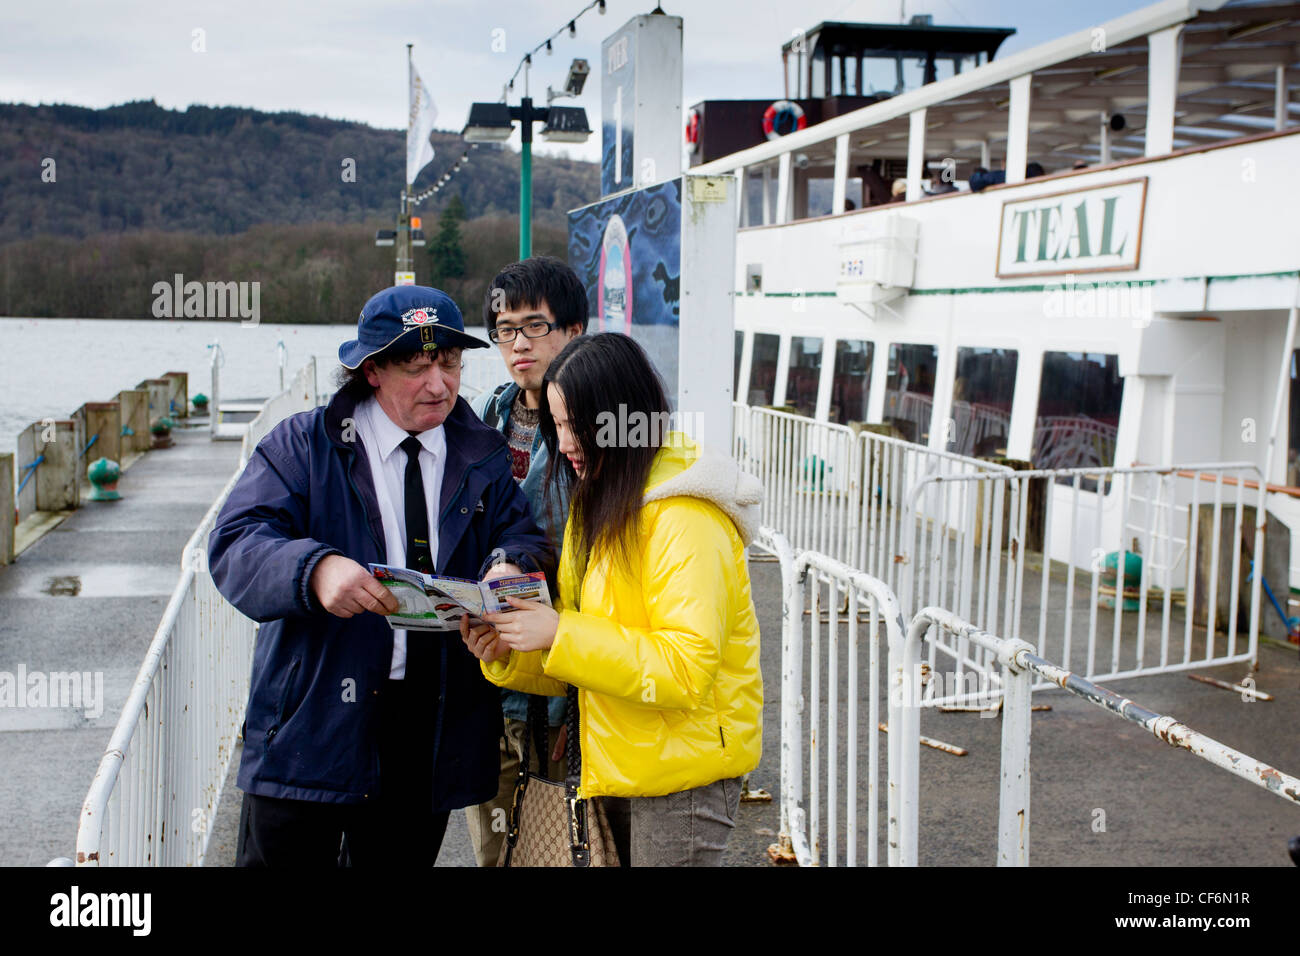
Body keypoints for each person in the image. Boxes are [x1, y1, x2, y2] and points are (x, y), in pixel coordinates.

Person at [208, 285, 553, 867]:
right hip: (312, 718)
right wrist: (313, 570)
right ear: (371, 370)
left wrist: (508, 564)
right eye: (418, 368)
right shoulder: (303, 445)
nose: (440, 385)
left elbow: (520, 535)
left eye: (450, 363)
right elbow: (235, 544)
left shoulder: (485, 453)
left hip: (433, 721)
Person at [461, 332, 764, 866]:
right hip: (617, 762)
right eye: (557, 425)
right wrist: (508, 651)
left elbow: (686, 668)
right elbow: (587, 657)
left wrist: (558, 632)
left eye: (580, 425)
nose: (567, 441)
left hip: (681, 778)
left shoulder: (684, 517)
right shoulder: (600, 500)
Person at [463, 256, 587, 867]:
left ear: (575, 331)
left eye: (535, 326)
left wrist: (579, 700)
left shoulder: (597, 433)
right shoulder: (483, 418)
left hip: (568, 680)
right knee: (493, 849)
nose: (518, 343)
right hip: (489, 671)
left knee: (561, 849)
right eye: (504, 328)